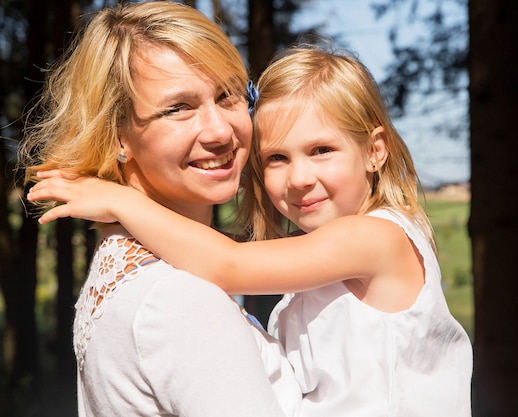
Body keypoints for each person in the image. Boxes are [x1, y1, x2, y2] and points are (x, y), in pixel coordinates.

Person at [28, 45, 473, 416]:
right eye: (277, 158)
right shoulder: (322, 268)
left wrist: (123, 201)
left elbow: (227, 263)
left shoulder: (376, 239)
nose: (299, 178)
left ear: (375, 151)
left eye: (321, 150)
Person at [18, 2, 302, 416]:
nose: (221, 130)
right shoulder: (179, 299)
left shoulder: (124, 268)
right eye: (178, 108)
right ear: (117, 135)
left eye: (228, 95)